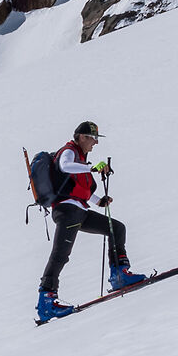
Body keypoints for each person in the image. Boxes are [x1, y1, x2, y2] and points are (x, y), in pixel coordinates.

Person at [38, 121, 144, 321]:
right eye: (93, 138)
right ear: (81, 137)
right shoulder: (69, 152)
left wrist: (98, 201)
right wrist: (92, 167)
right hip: (67, 211)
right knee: (61, 254)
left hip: (79, 211)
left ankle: (119, 275)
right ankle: (46, 301)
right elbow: (64, 166)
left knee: (116, 228)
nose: (95, 143)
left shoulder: (80, 158)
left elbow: (77, 188)